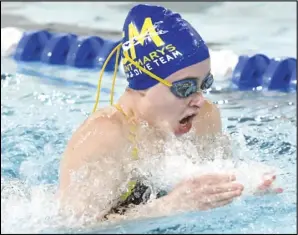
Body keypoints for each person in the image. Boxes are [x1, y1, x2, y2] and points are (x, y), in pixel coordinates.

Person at [58, 4, 282, 223]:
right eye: (184, 88)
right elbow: (74, 227)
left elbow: (214, 184)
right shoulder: (106, 136)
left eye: (205, 83)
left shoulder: (205, 117)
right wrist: (169, 206)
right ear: (142, 87)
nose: (199, 99)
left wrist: (245, 186)